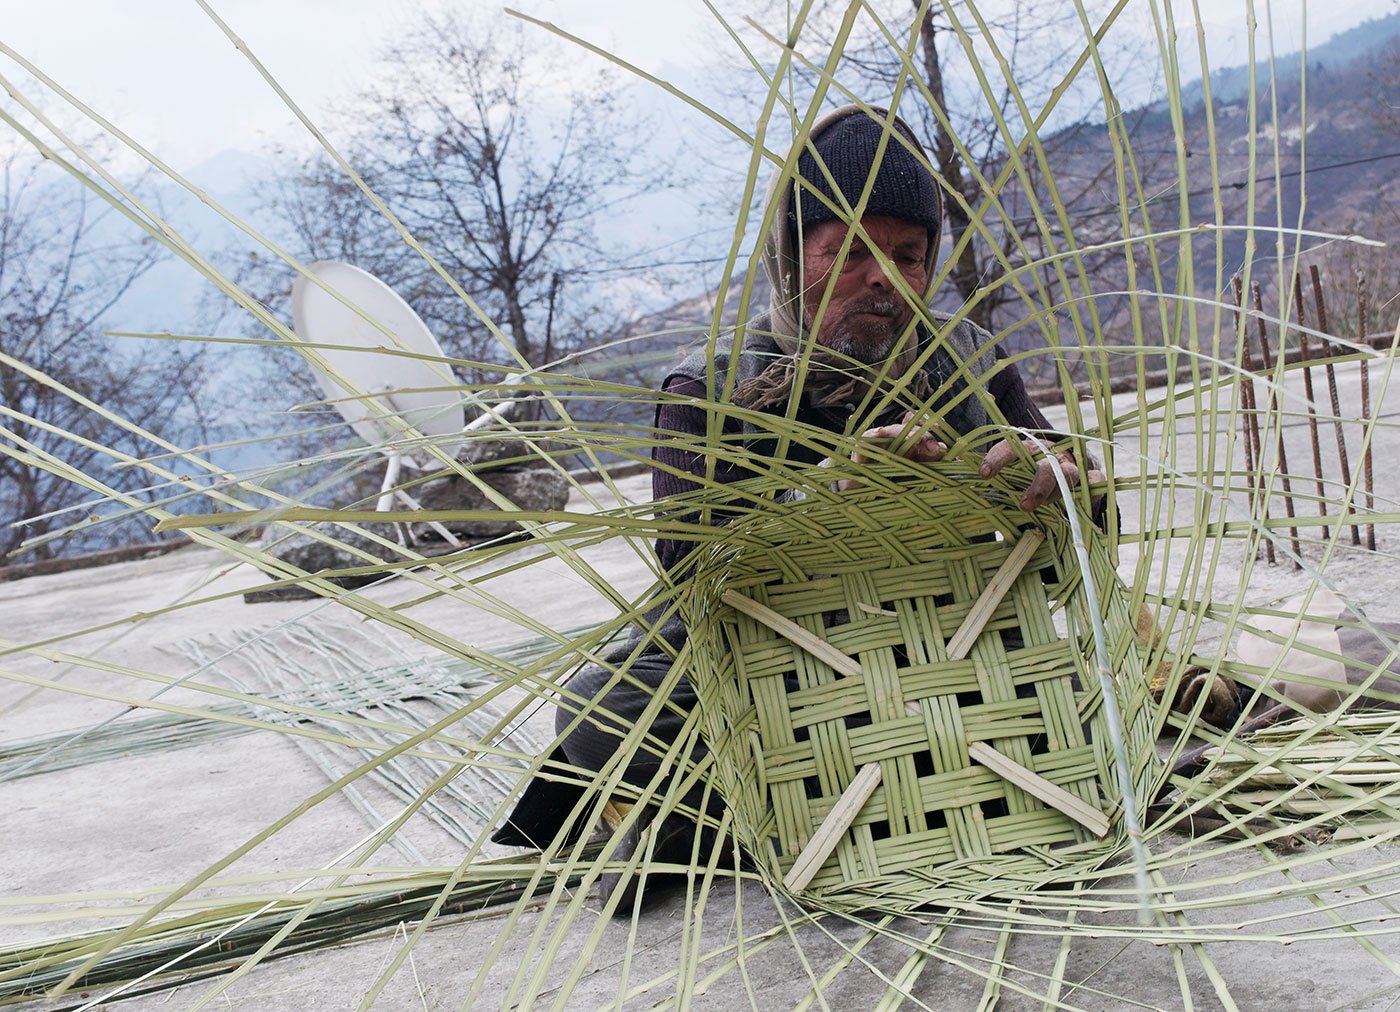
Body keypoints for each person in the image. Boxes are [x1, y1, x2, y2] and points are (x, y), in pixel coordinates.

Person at [492, 104, 1103, 908]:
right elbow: (689, 569)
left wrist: (1066, 479)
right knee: (610, 700)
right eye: (849, 251)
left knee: (1095, 659)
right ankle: (836, 782)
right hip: (776, 660)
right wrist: (823, 509)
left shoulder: (970, 364)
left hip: (947, 647)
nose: (884, 277)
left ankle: (744, 806)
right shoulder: (711, 387)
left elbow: (1079, 546)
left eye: (909, 255)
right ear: (792, 257)